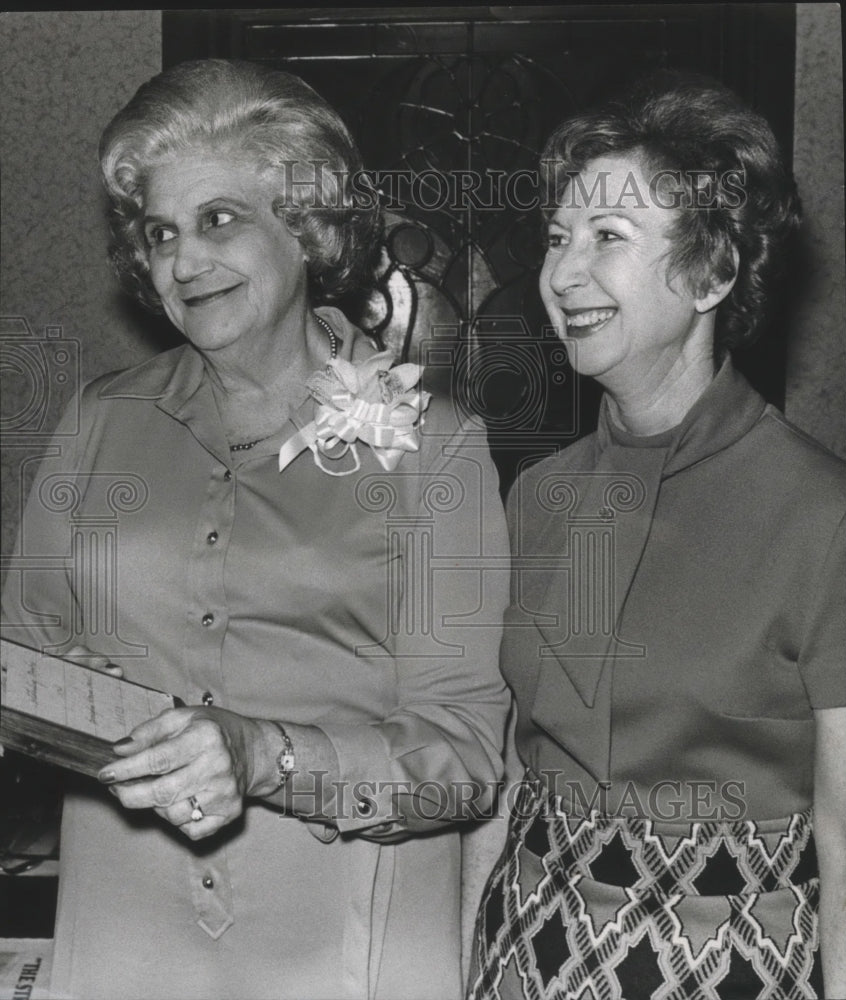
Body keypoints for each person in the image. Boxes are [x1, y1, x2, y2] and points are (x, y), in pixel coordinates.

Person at [1, 59, 511, 1000]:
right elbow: (28, 667)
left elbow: (464, 763)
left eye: (218, 220)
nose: (182, 262)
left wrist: (262, 754)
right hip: (125, 933)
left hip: (344, 942)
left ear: (307, 226)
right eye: (159, 232)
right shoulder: (95, 423)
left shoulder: (435, 451)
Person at [468, 73, 846, 999]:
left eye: (606, 238)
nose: (561, 274)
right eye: (556, 240)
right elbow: (506, 781)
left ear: (713, 271)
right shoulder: (537, 498)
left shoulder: (821, 514)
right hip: (522, 961)